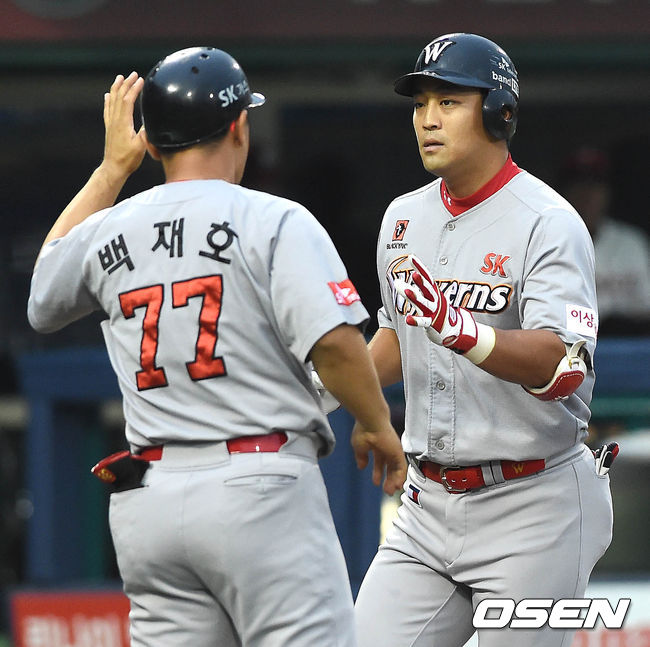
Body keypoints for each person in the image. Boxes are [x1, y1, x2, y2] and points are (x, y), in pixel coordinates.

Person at [27, 47, 406, 647]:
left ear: (153, 146)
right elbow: (335, 344)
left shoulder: (108, 228)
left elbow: (42, 299)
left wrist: (111, 170)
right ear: (239, 126)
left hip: (148, 501)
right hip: (256, 487)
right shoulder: (275, 219)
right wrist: (376, 422)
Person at [351, 33, 614, 647]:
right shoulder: (402, 217)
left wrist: (463, 330)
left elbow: (563, 363)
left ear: (499, 112)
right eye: (421, 104)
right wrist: (327, 382)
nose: (427, 119)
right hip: (426, 506)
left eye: (449, 101)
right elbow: (396, 338)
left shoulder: (549, 221)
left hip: (534, 502)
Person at [558, 146, 650, 336]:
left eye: (595, 185)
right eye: (579, 184)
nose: (588, 194)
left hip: (627, 344)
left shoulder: (632, 243)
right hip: (570, 343)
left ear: (607, 192)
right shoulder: (548, 241)